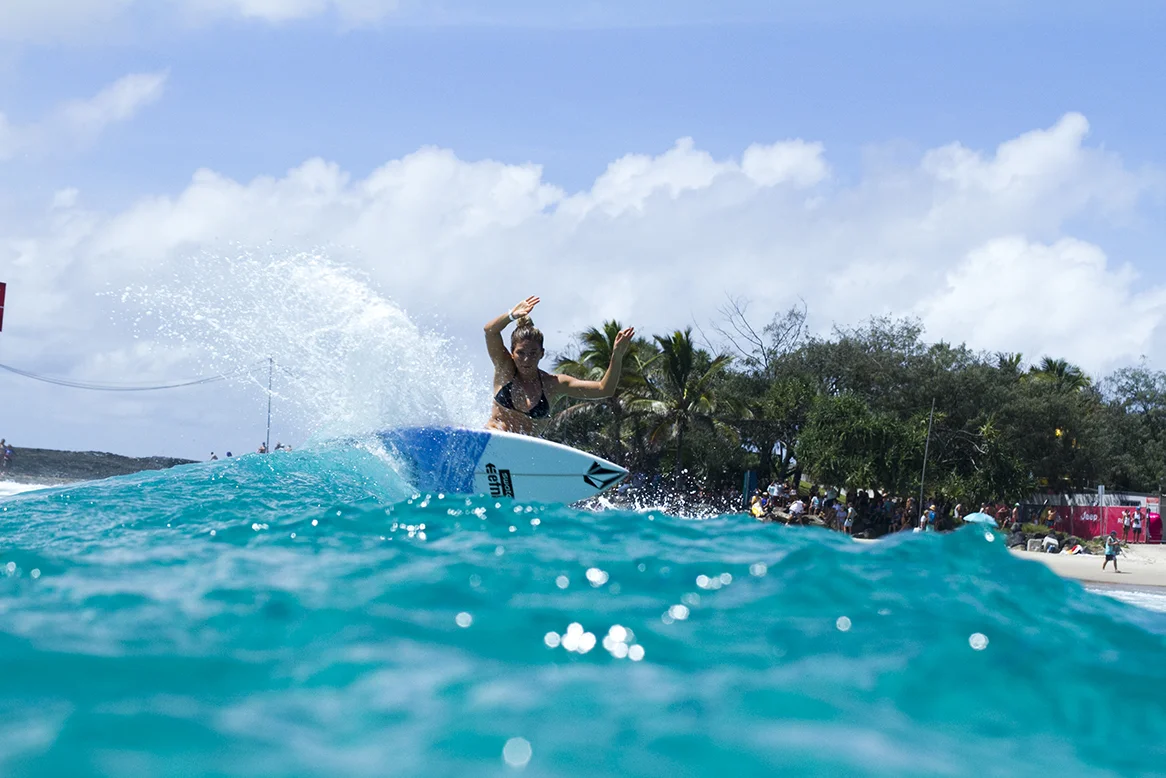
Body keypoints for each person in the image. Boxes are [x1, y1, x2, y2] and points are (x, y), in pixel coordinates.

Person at [485, 296, 634, 436]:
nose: (526, 359)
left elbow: (604, 389)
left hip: (524, 454)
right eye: (521, 353)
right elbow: (490, 331)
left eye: (532, 353)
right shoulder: (504, 367)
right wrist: (511, 315)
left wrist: (617, 356)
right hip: (491, 442)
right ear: (512, 353)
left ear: (542, 353)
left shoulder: (554, 384)